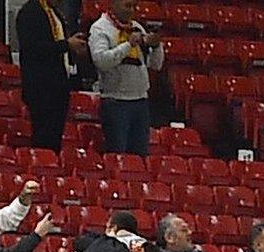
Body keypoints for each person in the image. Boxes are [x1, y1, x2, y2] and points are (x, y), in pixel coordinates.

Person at [90, 0, 165, 155]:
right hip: (115, 102)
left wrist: (156, 46)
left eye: (134, 6)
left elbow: (156, 65)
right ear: (113, 4)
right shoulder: (100, 28)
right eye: (127, 5)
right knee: (118, 155)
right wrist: (127, 45)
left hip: (140, 102)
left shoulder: (137, 28)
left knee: (139, 157)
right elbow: (101, 61)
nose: (131, 10)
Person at [15, 0, 84, 149]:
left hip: (58, 86)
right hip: (41, 87)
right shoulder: (30, 12)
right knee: (44, 137)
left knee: (54, 138)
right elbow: (32, 49)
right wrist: (66, 45)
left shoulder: (54, 12)